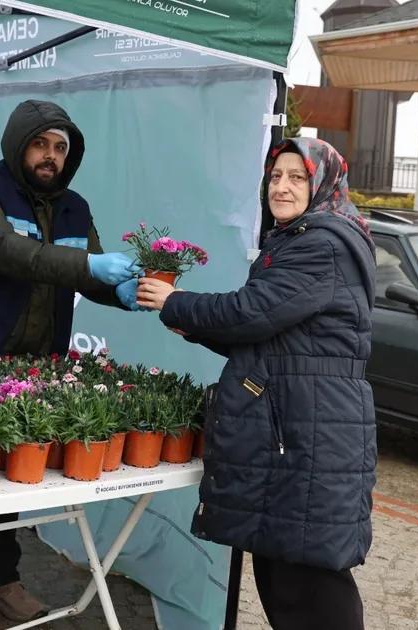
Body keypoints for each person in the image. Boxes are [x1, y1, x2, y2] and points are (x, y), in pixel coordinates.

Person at [0, 99, 143, 629]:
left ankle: (0, 584)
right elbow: (6, 252)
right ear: (19, 145)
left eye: (60, 148)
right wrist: (93, 264)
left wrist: (125, 291)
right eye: (40, 144)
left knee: (12, 481)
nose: (50, 156)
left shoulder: (74, 207)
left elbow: (88, 273)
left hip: (33, 366)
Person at [136, 137, 376, 630]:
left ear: (323, 183)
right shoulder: (298, 239)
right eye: (275, 176)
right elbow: (272, 339)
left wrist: (176, 301)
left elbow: (251, 312)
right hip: (297, 425)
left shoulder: (321, 245)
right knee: (284, 569)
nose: (282, 187)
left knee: (308, 581)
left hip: (308, 432)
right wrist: (197, 325)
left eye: (297, 177)